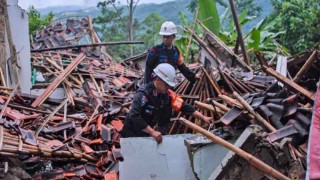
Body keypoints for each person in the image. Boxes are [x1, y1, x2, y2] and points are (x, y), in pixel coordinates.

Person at [121, 63, 212, 144]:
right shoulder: (143, 94)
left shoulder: (167, 94)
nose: (168, 87)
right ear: (158, 80)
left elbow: (184, 106)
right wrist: (152, 132)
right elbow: (134, 116)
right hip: (130, 136)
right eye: (166, 84)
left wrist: (203, 117)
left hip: (145, 136)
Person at [144, 21, 196, 85]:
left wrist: (194, 78)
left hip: (169, 85)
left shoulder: (176, 52)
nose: (165, 39)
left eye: (168, 37)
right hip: (157, 86)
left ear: (174, 37)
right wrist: (148, 87)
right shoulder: (155, 51)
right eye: (164, 36)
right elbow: (148, 70)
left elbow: (182, 68)